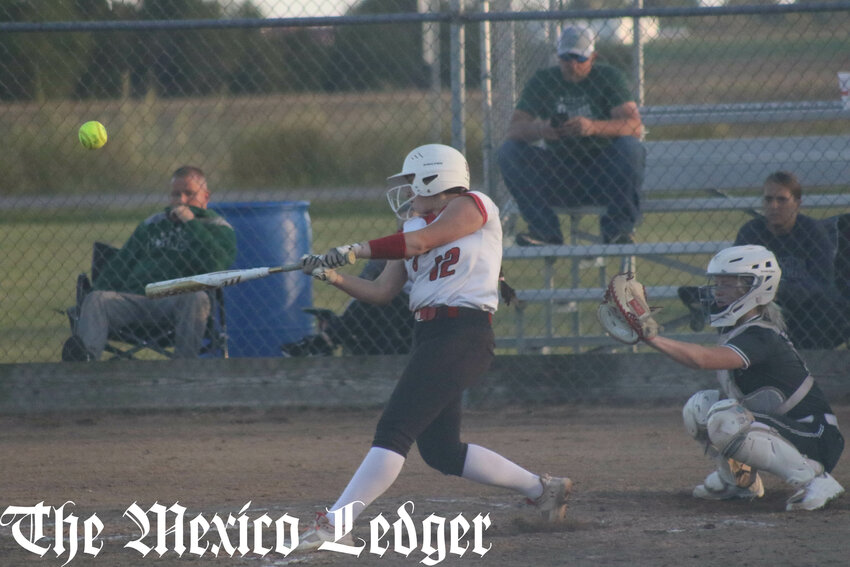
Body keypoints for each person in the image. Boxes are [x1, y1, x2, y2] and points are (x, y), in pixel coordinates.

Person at [294, 143, 572, 550]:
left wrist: (356, 249)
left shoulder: (474, 205)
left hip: (465, 333)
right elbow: (382, 291)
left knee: (394, 429)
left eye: (412, 182)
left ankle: (337, 523)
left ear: (435, 178)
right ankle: (543, 489)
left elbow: (422, 243)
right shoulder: (412, 226)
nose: (408, 192)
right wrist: (331, 277)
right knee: (441, 451)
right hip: (431, 336)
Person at [644, 245, 844, 511]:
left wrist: (650, 338)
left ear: (755, 288)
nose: (717, 291)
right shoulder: (741, 330)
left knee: (725, 418)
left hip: (816, 436)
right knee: (700, 408)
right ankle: (739, 482)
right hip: (788, 429)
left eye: (727, 284)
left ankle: (817, 481)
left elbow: (701, 359)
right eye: (717, 283)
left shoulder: (760, 335)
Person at [61, 166, 237, 361]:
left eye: (189, 194)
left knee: (197, 298)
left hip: (176, 301)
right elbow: (120, 265)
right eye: (176, 194)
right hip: (135, 300)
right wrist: (95, 296)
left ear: (206, 196)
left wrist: (191, 224)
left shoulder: (217, 228)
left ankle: (184, 369)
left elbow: (215, 265)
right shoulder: (152, 225)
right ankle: (84, 362)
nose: (181, 200)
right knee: (97, 299)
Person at [497, 24, 645, 246]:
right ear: (558, 56)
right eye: (566, 57)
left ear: (593, 57)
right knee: (508, 152)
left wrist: (593, 127)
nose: (572, 64)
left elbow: (634, 127)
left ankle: (618, 230)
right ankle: (544, 231)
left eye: (579, 58)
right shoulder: (544, 80)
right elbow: (514, 130)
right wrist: (542, 129)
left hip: (602, 172)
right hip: (559, 172)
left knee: (630, 147)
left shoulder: (609, 77)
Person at [733, 171, 849, 348]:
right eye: (768, 199)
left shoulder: (813, 232)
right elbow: (737, 276)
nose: (774, 206)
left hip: (805, 310)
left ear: (797, 203)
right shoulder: (750, 232)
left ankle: (812, 361)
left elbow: (821, 283)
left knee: (825, 305)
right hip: (763, 306)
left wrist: (778, 289)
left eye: (782, 200)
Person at [280, 258, 414, 356]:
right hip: (384, 320)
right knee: (373, 303)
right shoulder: (391, 253)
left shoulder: (426, 243)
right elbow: (366, 290)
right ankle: (330, 336)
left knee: (384, 300)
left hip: (415, 318)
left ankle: (325, 340)